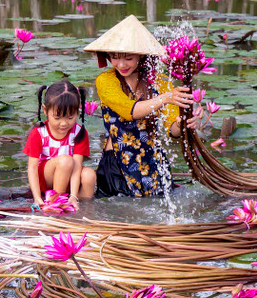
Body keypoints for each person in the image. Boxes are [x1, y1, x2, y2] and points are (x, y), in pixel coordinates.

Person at [84, 15, 202, 197]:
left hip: (153, 161)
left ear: (142, 56)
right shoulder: (106, 80)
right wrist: (165, 98)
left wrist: (183, 122)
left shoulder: (161, 83)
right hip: (117, 163)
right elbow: (129, 111)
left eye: (129, 59)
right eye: (114, 58)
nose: (121, 65)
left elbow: (173, 131)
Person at [23, 80, 96, 209]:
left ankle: (81, 209)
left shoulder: (80, 132)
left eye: (70, 117)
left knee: (89, 175)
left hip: (69, 173)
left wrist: (73, 194)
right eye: (57, 118)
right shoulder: (39, 133)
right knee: (66, 161)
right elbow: (32, 168)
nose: (64, 124)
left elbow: (77, 166)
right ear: (45, 110)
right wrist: (37, 198)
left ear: (77, 112)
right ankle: (55, 203)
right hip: (46, 178)